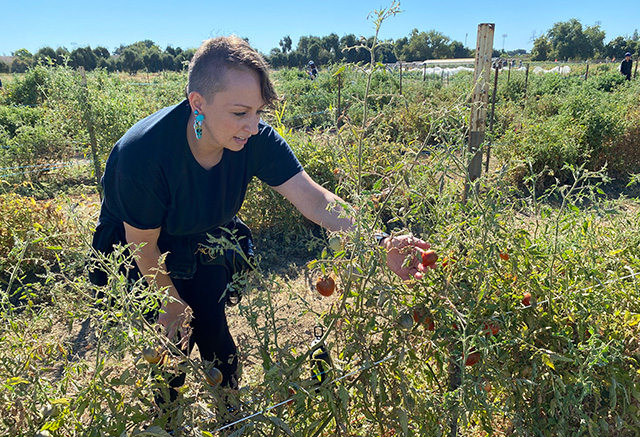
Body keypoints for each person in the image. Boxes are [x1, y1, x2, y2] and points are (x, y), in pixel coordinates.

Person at [90, 36, 430, 401]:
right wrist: (170, 301)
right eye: (240, 113)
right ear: (198, 103)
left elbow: (315, 200)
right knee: (170, 346)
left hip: (206, 236)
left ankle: (230, 419)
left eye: (258, 112)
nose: (253, 127)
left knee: (214, 332)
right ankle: (167, 431)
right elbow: (144, 244)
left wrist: (378, 242)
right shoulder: (143, 154)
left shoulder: (254, 140)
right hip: (142, 247)